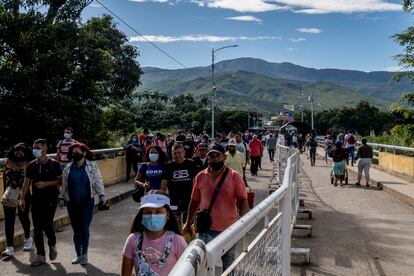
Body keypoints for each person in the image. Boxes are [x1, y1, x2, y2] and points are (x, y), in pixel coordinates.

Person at [183, 144, 249, 272]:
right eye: (211, 156)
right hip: (205, 229)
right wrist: (188, 222)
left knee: (229, 264)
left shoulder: (234, 176)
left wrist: (244, 221)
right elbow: (194, 201)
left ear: (224, 157)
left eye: (217, 155)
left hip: (228, 229)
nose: (214, 158)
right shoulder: (200, 176)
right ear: (207, 157)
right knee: (203, 264)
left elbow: (242, 200)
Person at [58, 142, 107, 265]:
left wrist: (102, 196)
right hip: (72, 203)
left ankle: (85, 253)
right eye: (73, 153)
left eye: (78, 152)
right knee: (76, 230)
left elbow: (98, 181)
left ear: (84, 153)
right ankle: (78, 254)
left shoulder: (92, 166)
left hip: (87, 202)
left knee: (84, 228)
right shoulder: (68, 168)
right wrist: (61, 197)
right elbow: (64, 185)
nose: (75, 154)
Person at [121, 191, 187, 276]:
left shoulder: (177, 241)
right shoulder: (132, 240)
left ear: (167, 215)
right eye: (148, 212)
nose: (152, 216)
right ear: (142, 215)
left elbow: (187, 269)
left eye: (158, 212)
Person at [20, 139, 62, 266]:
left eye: (38, 147)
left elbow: (60, 181)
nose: (35, 150)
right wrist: (22, 198)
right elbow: (26, 182)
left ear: (45, 149)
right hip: (36, 200)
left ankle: (52, 243)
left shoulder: (54, 164)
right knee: (37, 228)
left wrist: (46, 184)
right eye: (34, 147)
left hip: (50, 200)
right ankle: (40, 255)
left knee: (47, 224)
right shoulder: (31, 165)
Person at [1, 143, 33, 257]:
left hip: (24, 194)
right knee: (9, 220)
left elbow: (29, 181)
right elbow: (5, 178)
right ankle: (9, 247)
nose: (18, 154)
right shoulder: (8, 162)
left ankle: (28, 238)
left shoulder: (29, 164)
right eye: (16, 152)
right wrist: (5, 193)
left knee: (23, 217)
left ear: (25, 153)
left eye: (21, 153)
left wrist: (23, 196)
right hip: (9, 194)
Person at [161, 143, 197, 227]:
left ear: (184, 152)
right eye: (175, 153)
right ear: (172, 154)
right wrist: (162, 201)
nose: (177, 155)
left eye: (179, 152)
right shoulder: (168, 166)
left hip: (189, 200)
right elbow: (163, 186)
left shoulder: (191, 163)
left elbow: (196, 181)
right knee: (175, 225)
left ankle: (187, 240)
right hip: (173, 200)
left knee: (189, 225)